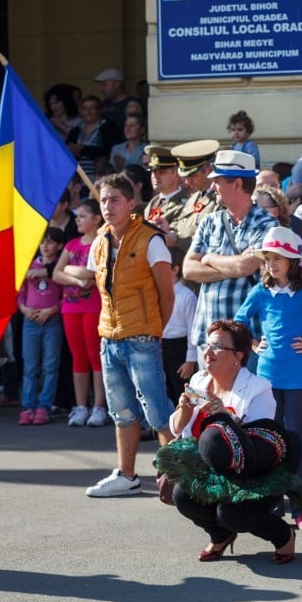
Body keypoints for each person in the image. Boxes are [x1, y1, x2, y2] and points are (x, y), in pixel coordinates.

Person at [234, 225, 302, 532]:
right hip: (266, 378)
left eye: (278, 258)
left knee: (296, 442)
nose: (271, 263)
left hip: (297, 379)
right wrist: (255, 343)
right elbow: (240, 323)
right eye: (268, 258)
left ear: (293, 261)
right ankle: (272, 505)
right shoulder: (260, 291)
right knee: (269, 442)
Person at [162, 319, 296, 565]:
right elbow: (177, 428)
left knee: (232, 513)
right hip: (209, 469)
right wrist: (182, 409)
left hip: (252, 474)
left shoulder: (258, 388)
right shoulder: (198, 380)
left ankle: (283, 535)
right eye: (207, 344)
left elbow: (261, 445)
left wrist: (225, 416)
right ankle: (220, 535)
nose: (207, 352)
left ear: (238, 356)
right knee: (183, 496)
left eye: (217, 346)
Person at [85, 173, 176, 497]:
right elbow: (95, 285)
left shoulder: (151, 239)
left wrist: (154, 330)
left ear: (131, 203)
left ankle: (172, 475)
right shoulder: (100, 241)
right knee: (121, 411)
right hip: (109, 337)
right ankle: (127, 475)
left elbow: (167, 294)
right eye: (103, 199)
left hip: (142, 338)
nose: (107, 206)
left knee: (157, 410)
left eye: (114, 199)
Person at [183, 150, 278, 360]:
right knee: (209, 393)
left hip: (245, 340)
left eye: (217, 180)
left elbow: (246, 267)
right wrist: (232, 268)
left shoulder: (267, 224)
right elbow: (188, 269)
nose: (212, 186)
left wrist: (208, 259)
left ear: (237, 184)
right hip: (207, 336)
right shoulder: (210, 221)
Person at [52, 199, 108, 428]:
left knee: (95, 356)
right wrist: (76, 277)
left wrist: (75, 271)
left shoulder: (101, 242)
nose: (78, 220)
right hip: (71, 308)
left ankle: (99, 406)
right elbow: (56, 273)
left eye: (83, 216)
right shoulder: (72, 244)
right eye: (77, 216)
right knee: (78, 357)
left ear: (96, 219)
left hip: (94, 307)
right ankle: (81, 405)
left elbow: (95, 273)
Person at [17, 228, 65, 425]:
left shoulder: (59, 268)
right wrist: (23, 309)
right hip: (30, 322)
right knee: (30, 366)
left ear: (59, 246)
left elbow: (66, 297)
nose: (45, 245)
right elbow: (20, 293)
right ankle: (28, 407)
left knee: (50, 366)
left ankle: (44, 407)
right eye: (42, 242)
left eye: (51, 242)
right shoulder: (30, 265)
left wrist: (51, 310)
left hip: (52, 321)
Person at [160, 247, 198, 404]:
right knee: (164, 391)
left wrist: (190, 360)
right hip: (161, 346)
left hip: (180, 348)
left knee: (183, 392)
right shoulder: (158, 292)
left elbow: (192, 329)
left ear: (175, 269)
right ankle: (167, 427)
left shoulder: (187, 296)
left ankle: (186, 427)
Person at [170, 139, 221, 253]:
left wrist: (177, 241)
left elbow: (213, 242)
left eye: (192, 176)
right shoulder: (194, 197)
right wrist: (167, 229)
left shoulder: (220, 200)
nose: (187, 182)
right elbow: (182, 227)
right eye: (185, 177)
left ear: (207, 170)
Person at [66, 95, 121, 178]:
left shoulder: (108, 128)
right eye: (84, 109)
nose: (88, 112)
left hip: (101, 178)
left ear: (100, 110)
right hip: (78, 180)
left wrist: (84, 150)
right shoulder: (75, 131)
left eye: (92, 108)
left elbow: (110, 152)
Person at [144, 146, 188, 236]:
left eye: (161, 172)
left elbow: (178, 236)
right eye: (153, 172)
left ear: (176, 173)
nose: (155, 177)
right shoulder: (154, 201)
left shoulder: (185, 204)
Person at [94, 68, 140, 134]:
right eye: (100, 85)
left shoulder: (133, 104)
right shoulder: (103, 104)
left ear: (117, 84)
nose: (100, 88)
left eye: (104, 84)